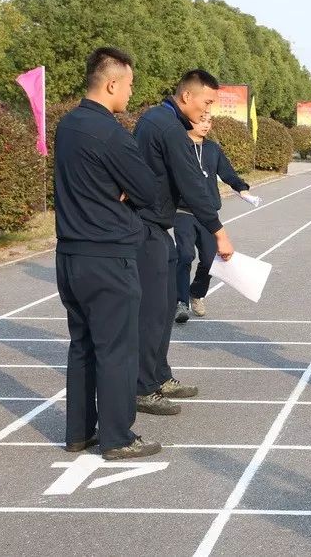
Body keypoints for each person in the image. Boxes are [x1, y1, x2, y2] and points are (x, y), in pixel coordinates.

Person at [53, 47, 160, 460]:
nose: (131, 93)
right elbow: (147, 191)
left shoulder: (67, 125)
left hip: (70, 255)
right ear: (112, 84)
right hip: (108, 257)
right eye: (129, 85)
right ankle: (117, 437)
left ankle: (78, 432)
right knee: (117, 350)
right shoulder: (111, 133)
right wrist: (125, 191)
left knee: (82, 345)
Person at [133, 70, 235, 416]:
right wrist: (219, 232)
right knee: (152, 312)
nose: (208, 110)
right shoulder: (167, 128)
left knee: (164, 307)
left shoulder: (164, 120)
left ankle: (159, 376)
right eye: (207, 102)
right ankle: (143, 387)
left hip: (156, 227)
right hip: (146, 228)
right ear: (187, 96)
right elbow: (192, 184)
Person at [174, 114, 253, 324]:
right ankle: (180, 302)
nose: (206, 125)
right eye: (201, 120)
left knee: (210, 260)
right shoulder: (178, 147)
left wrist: (242, 188)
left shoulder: (213, 149)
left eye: (209, 122)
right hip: (183, 211)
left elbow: (227, 173)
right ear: (189, 120)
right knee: (184, 255)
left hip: (208, 215)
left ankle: (196, 293)